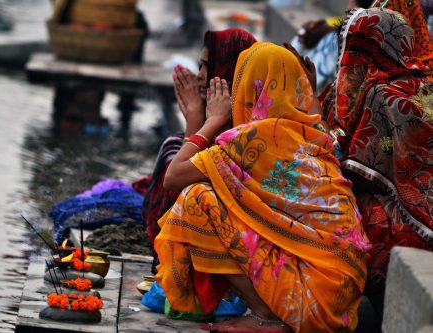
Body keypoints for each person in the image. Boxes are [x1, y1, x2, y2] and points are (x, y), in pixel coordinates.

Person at [155, 42, 370, 332]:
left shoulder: (253, 138)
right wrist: (308, 86)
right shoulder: (318, 135)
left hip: (304, 304)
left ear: (249, 89)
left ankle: (264, 316)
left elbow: (174, 177)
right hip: (339, 304)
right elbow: (316, 117)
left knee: (195, 198)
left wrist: (213, 120)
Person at [321, 7, 433, 314]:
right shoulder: (424, 82)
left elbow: (357, 170)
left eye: (356, 50)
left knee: (337, 208)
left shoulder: (380, 93)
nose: (349, 61)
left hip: (410, 225)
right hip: (425, 211)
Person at [142, 28, 257, 272]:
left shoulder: (247, 134)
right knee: (172, 144)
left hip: (236, 248)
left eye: (208, 66)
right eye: (200, 66)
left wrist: (196, 121)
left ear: (232, 70)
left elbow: (176, 183)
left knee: (186, 177)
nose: (201, 77)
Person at [289, 0, 374, 93]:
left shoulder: (363, 69)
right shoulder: (318, 33)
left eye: (351, 15)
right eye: (347, 13)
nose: (346, 19)